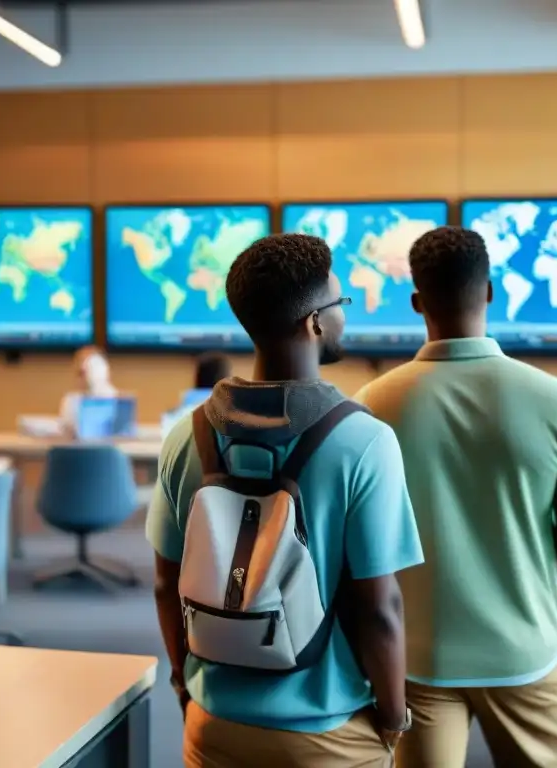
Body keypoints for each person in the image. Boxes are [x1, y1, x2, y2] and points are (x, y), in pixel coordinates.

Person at [146, 233, 423, 767]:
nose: (345, 316)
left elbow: (165, 583)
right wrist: (392, 718)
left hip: (212, 725)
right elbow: (380, 609)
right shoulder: (365, 441)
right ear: (314, 322)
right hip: (327, 733)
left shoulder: (187, 436)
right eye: (341, 305)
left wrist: (185, 686)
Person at [355, 226, 557, 768]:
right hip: (526, 649)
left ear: (417, 301)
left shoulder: (371, 404)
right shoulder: (556, 398)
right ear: (489, 291)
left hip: (418, 655)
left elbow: (360, 539)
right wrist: (513, 550)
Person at [59, 346, 117, 435]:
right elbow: (66, 432)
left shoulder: (117, 400)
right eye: (80, 373)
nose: (83, 378)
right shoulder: (70, 400)